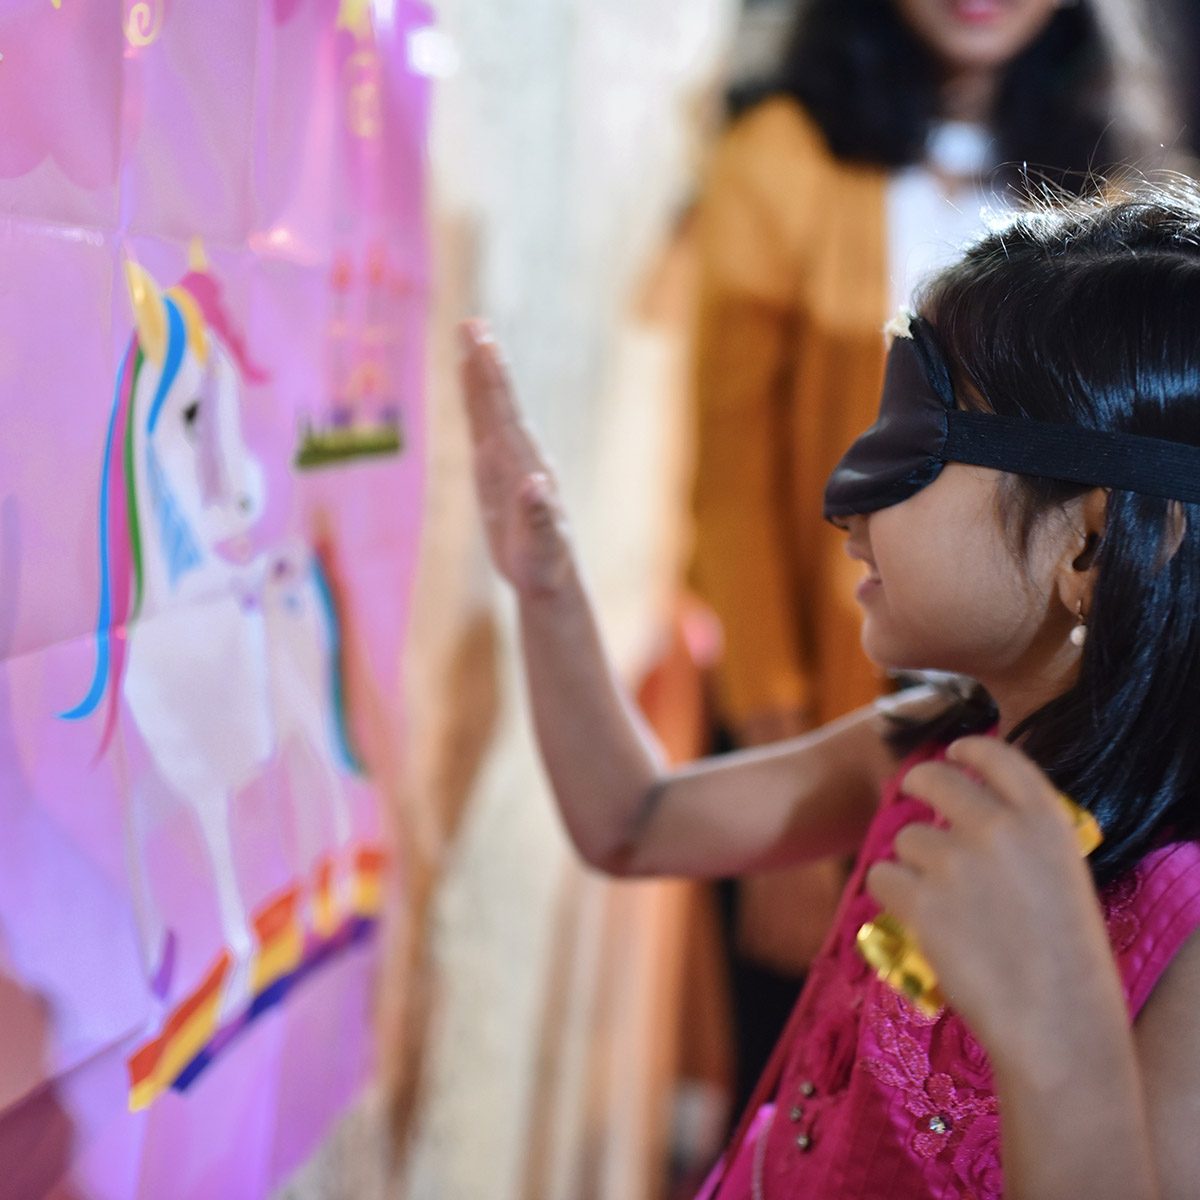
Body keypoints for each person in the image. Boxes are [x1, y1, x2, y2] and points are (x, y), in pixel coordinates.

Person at [458, 181, 1200, 1198]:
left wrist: (1061, 1035)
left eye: (919, 447)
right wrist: (546, 587)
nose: (847, 505)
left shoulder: (1186, 924)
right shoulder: (924, 750)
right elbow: (632, 822)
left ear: (1095, 540)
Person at [685, 0, 1177, 1107]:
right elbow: (735, 486)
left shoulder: (1124, 195)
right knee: (808, 1064)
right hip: (830, 694)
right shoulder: (782, 157)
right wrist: (778, 735)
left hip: (1062, 728)